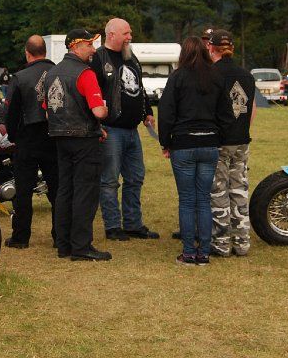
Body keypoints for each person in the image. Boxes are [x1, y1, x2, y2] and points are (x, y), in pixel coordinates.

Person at [158, 37, 228, 265]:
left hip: (183, 144)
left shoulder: (177, 77)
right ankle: (204, 252)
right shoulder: (216, 77)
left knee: (187, 200)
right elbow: (225, 113)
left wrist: (165, 142)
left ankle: (189, 252)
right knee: (204, 199)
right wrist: (219, 138)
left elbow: (166, 112)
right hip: (209, 143)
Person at [91, 18, 159, 241]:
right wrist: (97, 126)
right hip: (111, 129)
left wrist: (147, 111)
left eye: (130, 33)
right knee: (109, 181)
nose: (130, 37)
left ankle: (132, 224)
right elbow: (92, 95)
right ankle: (112, 227)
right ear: (111, 35)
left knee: (135, 178)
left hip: (132, 130)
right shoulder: (98, 59)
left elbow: (139, 88)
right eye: (126, 33)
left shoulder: (131, 57)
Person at [46, 29, 111, 261]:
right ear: (75, 46)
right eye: (89, 45)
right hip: (84, 140)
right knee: (85, 192)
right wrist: (105, 111)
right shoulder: (85, 73)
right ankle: (82, 247)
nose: (94, 50)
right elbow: (98, 111)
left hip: (59, 138)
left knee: (65, 190)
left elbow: (48, 111)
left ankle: (63, 245)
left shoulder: (51, 73)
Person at [4, 35, 59, 249]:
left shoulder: (19, 77)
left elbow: (11, 112)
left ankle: (21, 237)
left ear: (27, 53)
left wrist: (12, 136)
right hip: (54, 136)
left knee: (23, 190)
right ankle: (60, 235)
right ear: (45, 51)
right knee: (57, 189)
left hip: (27, 137)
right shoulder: (58, 72)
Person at [208, 29, 255, 257]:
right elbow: (250, 109)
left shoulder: (211, 74)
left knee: (219, 192)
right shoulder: (247, 76)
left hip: (220, 140)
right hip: (241, 139)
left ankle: (221, 243)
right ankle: (242, 242)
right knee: (239, 190)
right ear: (232, 49)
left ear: (211, 48)